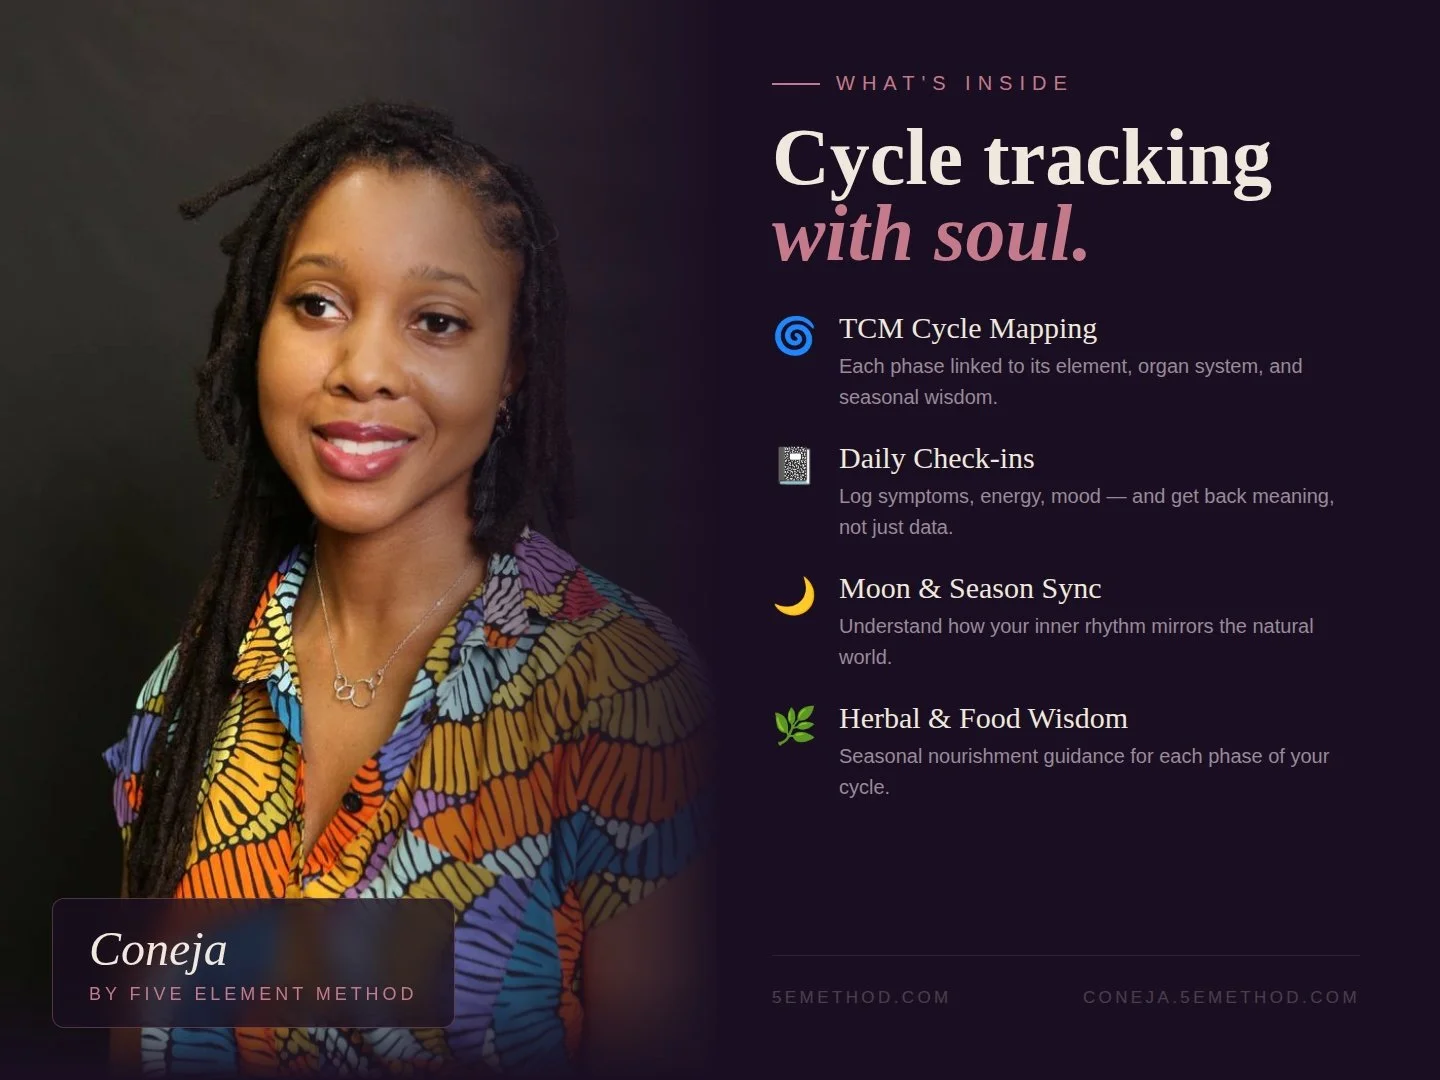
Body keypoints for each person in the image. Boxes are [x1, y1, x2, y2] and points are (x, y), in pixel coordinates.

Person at [101, 100, 714, 1077]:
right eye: (317, 305)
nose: (364, 370)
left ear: (510, 369)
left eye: (436, 322)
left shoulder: (622, 689)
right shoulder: (182, 699)